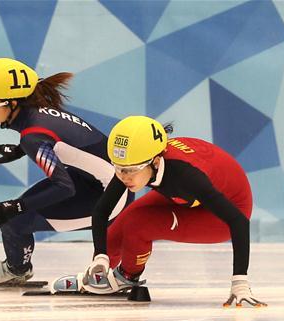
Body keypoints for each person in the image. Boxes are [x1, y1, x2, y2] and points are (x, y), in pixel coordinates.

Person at [66, 115, 265, 307]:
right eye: (118, 168)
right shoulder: (136, 160)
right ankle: (100, 274)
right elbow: (101, 210)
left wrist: (240, 283)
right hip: (187, 195)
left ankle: (127, 276)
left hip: (226, 211)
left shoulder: (187, 176)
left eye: (131, 170)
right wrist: (101, 256)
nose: (124, 176)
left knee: (139, 223)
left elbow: (238, 221)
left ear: (156, 162)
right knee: (122, 223)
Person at [0, 57, 131, 284]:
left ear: (14, 103)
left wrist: (15, 207)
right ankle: (18, 266)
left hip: (111, 198)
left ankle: (16, 270)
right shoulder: (39, 115)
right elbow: (64, 144)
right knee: (18, 212)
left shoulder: (32, 136)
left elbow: (63, 187)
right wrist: (20, 150)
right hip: (93, 182)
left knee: (15, 219)